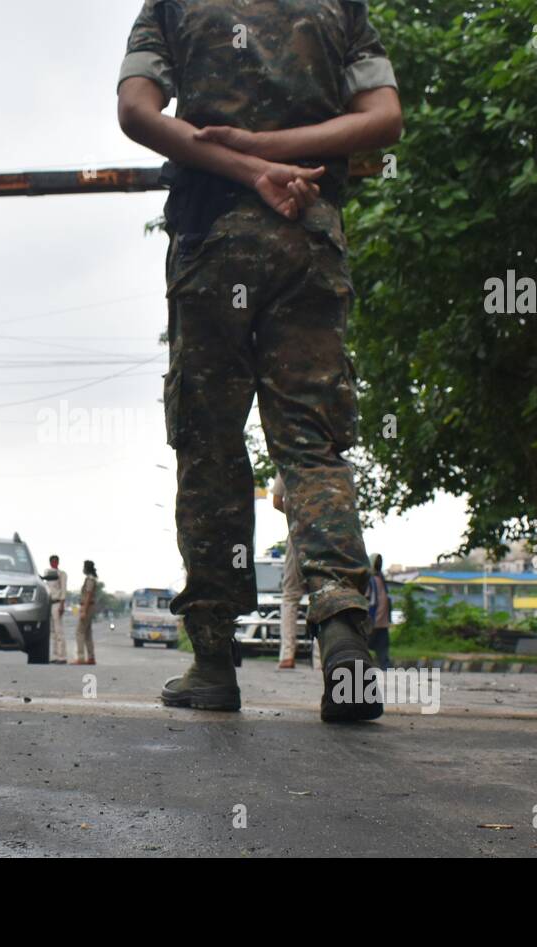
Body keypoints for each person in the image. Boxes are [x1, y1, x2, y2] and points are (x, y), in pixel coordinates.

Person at [117, 0, 401, 720]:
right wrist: (279, 151)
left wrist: (244, 162)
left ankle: (213, 662)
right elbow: (382, 117)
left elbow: (137, 111)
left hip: (212, 236)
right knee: (311, 442)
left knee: (210, 444)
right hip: (307, 235)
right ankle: (343, 635)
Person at [270, 473, 304, 669]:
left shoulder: (288, 457)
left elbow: (276, 501)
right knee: (323, 592)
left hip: (299, 530)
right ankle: (322, 658)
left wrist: (296, 517)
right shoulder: (329, 456)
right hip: (328, 533)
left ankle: (288, 654)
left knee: (291, 596)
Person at [367, 553, 392, 669]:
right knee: (378, 646)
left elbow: (373, 600)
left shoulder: (376, 579)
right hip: (378, 620)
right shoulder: (375, 579)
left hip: (378, 620)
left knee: (380, 647)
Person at [71, 560, 98, 666]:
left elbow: (88, 595)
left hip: (88, 606)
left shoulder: (90, 579)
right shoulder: (91, 578)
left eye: (84, 567)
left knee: (79, 632)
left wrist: (83, 611)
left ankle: (80, 657)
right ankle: (91, 657)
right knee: (87, 633)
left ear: (86, 568)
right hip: (90, 606)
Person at [45, 554, 70, 664]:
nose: (54, 563)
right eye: (52, 561)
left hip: (57, 603)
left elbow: (63, 590)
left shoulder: (61, 574)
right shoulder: (47, 573)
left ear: (58, 562)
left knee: (59, 631)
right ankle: (55, 655)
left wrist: (62, 605)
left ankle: (62, 656)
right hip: (49, 603)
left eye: (56, 561)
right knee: (52, 632)